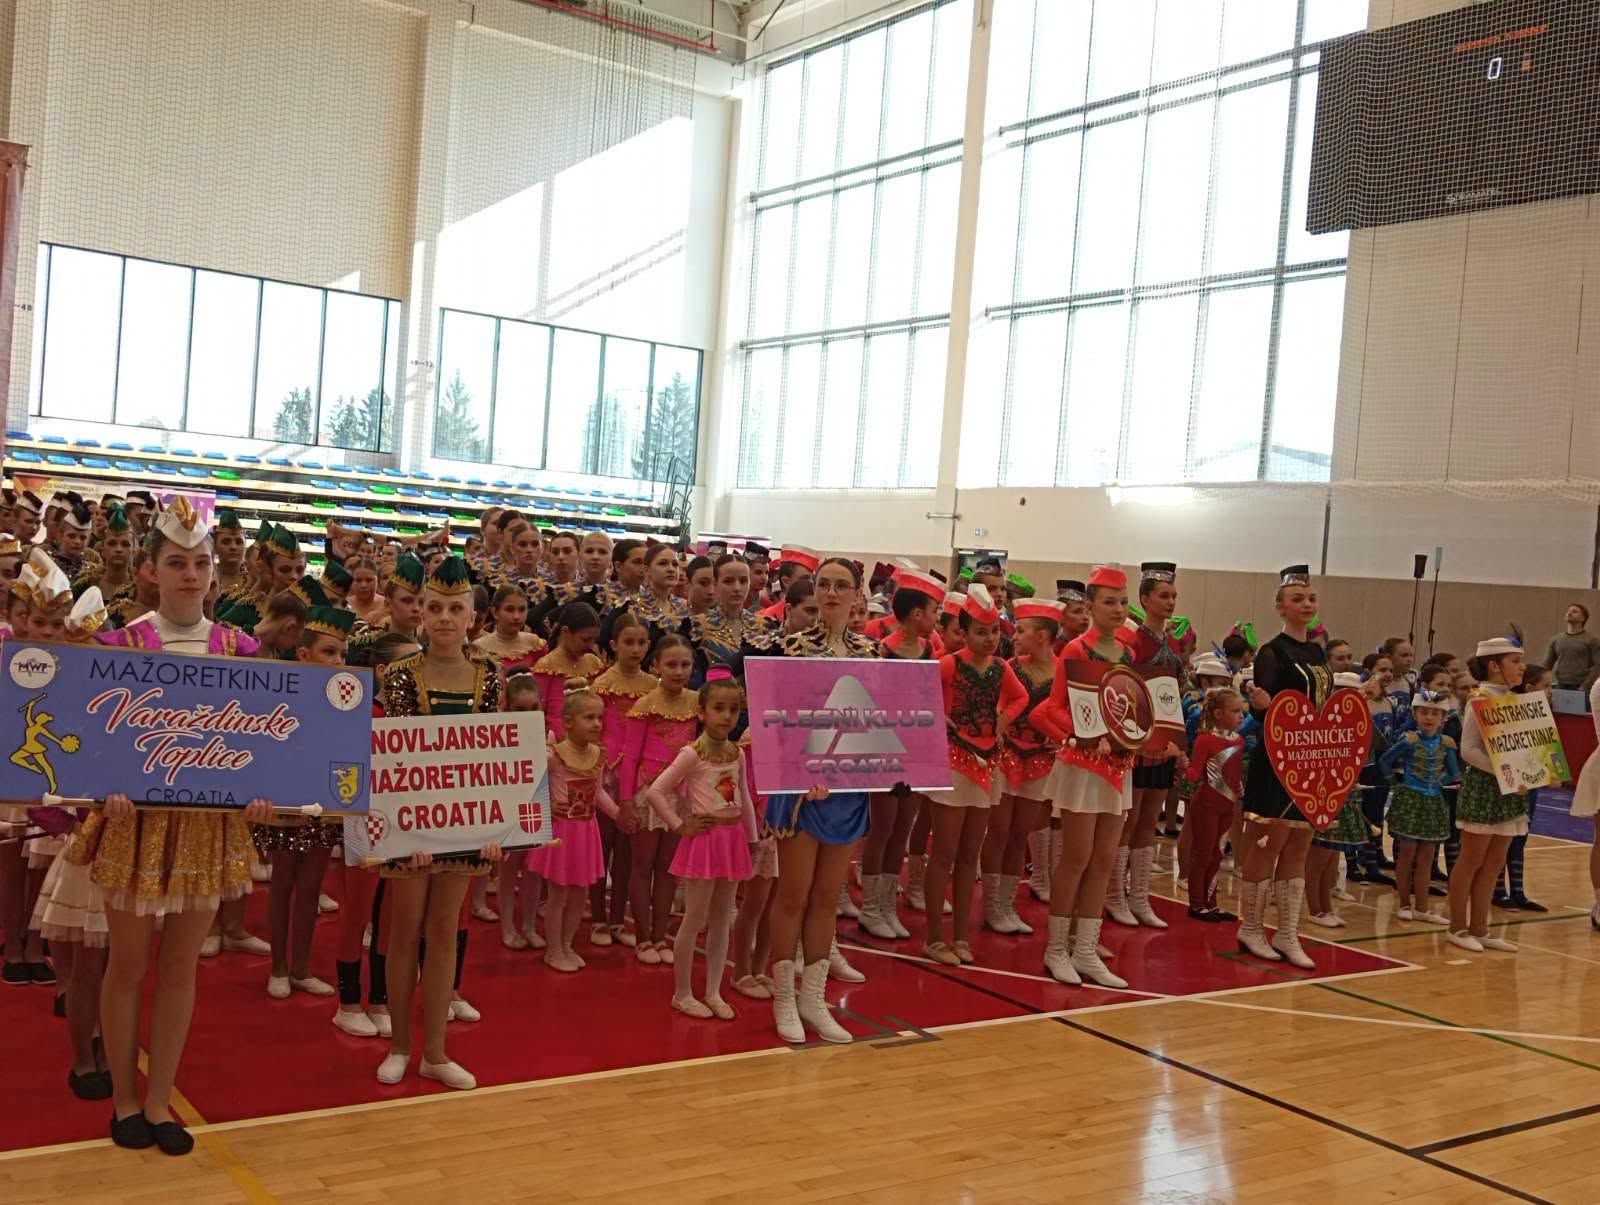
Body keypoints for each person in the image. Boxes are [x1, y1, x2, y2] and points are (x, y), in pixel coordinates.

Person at [63, 496, 275, 1155]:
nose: (191, 574)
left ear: (215, 571)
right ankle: (124, 1098)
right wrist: (103, 782)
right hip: (135, 824)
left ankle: (160, 1101)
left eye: (201, 563)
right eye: (178, 563)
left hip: (209, 825)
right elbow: (87, 734)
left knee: (182, 966)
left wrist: (260, 794)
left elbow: (262, 739)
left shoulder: (240, 648)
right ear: (151, 568)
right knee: (127, 963)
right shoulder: (120, 644)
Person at [372, 555, 506, 1091]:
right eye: (435, 608)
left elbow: (495, 757)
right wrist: (409, 831)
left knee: (445, 931)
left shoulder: (491, 677)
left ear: (473, 616)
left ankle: (435, 1051)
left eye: (455, 609)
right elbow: (399, 756)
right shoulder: (400, 675)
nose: (445, 618)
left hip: (465, 822)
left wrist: (497, 829)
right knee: (404, 930)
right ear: (420, 614)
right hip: (411, 824)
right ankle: (399, 1046)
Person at [764, 557, 876, 1044]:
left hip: (848, 785)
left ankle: (814, 998)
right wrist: (804, 768)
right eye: (824, 584)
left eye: (841, 585)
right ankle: (783, 998)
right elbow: (775, 719)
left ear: (857, 594)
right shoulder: (787, 647)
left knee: (828, 895)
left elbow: (877, 721)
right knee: (794, 893)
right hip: (800, 787)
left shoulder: (872, 653)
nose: (831, 593)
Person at [1030, 566, 1142, 989]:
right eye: (1109, 602)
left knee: (1104, 860)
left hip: (1118, 767)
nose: (1118, 609)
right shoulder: (1076, 649)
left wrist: (1139, 737)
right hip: (1082, 766)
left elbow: (1133, 708)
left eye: (1123, 602)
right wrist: (1083, 735)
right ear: (1091, 606)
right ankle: (1056, 949)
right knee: (1076, 858)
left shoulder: (1128, 654)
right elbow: (1053, 707)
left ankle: (1086, 950)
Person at [643, 672, 757, 1019]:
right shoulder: (691, 754)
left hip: (732, 839)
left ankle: (713, 991)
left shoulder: (736, 754)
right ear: (702, 712)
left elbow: (744, 798)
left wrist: (752, 839)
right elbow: (655, 792)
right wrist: (680, 825)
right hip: (705, 841)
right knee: (695, 918)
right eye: (719, 708)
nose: (727, 716)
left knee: (723, 918)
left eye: (733, 710)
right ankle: (682, 993)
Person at [923, 586, 1026, 966]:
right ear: (963, 633)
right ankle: (934, 937)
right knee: (944, 852)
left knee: (970, 855)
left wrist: (1003, 721)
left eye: (995, 632)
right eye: (981, 632)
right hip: (952, 763)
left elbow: (1020, 698)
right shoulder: (949, 664)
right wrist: (938, 718)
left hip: (987, 765)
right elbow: (919, 695)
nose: (990, 639)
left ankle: (961, 936)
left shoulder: (1002, 668)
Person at [1236, 565, 1331, 971]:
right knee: (1267, 842)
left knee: (1298, 847)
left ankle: (1287, 932)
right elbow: (1263, 710)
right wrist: (1267, 705)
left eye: (1310, 598)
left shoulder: (1318, 653)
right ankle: (1251, 927)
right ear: (1280, 606)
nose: (1306, 604)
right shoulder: (1271, 652)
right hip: (1276, 761)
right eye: (1297, 599)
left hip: (1311, 762)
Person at [258, 606, 355, 999]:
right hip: (285, 798)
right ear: (303, 654)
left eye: (343, 654)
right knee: (283, 881)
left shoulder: (347, 700)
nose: (338, 661)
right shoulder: (282, 695)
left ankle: (301, 967)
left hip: (325, 801)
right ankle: (278, 967)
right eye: (329, 652)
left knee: (312, 885)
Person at [857, 566, 944, 942]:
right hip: (883, 747)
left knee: (903, 828)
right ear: (917, 614)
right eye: (934, 611)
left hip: (916, 747)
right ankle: (870, 908)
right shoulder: (881, 649)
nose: (937, 618)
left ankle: (887, 906)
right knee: (882, 827)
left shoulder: (929, 649)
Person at [526, 683, 623, 972]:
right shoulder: (553, 755)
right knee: (558, 894)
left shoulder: (598, 754)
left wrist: (618, 814)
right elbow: (529, 786)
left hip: (586, 831)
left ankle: (567, 944)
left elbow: (598, 792)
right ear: (568, 722)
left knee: (581, 893)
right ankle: (553, 949)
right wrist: (545, 805)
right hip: (562, 831)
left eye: (600, 717)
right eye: (589, 718)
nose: (596, 724)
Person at [1110, 561, 1186, 931]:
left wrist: (1178, 745)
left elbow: (1175, 697)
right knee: (1130, 818)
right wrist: (1135, 739)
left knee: (1149, 821)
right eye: (1163, 596)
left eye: (1173, 596)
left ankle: (1139, 895)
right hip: (1137, 741)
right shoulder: (1133, 642)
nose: (1170, 602)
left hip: (1164, 742)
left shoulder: (1172, 643)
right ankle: (1114, 894)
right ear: (1144, 599)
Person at [985, 597, 1064, 936]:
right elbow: (998, 707)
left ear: (1042, 636)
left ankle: (1007, 904)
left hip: (1041, 762)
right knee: (999, 831)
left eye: (1021, 630)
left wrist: (1061, 738)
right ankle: (991, 905)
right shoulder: (1010, 667)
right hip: (1006, 757)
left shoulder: (1063, 671)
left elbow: (1069, 713)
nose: (1013, 636)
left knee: (1021, 835)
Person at [619, 633, 699, 965]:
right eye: (671, 665)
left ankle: (660, 935)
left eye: (685, 665)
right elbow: (630, 757)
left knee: (668, 869)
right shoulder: (645, 705)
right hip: (647, 795)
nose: (678, 671)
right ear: (656, 667)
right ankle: (642, 938)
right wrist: (625, 801)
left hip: (680, 796)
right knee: (642, 865)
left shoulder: (697, 703)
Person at [1447, 634, 1529, 955]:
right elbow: (1468, 750)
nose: (1522, 667)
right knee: (1471, 860)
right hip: (1485, 788)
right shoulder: (1479, 698)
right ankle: (1457, 927)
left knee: (1495, 862)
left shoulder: (1516, 700)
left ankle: (1481, 928)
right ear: (1494, 665)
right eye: (1515, 661)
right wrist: (1505, 771)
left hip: (1510, 790)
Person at [1381, 690, 1458, 925]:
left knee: (1427, 857)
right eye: (1424, 712)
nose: (1429, 718)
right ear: (1415, 714)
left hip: (1433, 803)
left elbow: (1454, 772)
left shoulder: (1446, 744)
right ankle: (1405, 904)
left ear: (1443, 717)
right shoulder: (1409, 740)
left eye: (1435, 713)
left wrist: (1440, 783)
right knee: (1406, 854)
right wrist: (1396, 784)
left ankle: (1422, 907)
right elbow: (1385, 761)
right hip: (1410, 801)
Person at [1183, 688, 1247, 921]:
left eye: (1241, 711)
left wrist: (1239, 786)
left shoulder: (1238, 740)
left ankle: (1211, 903)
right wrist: (1181, 762)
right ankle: (1196, 904)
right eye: (1236, 711)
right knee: (1203, 853)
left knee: (1217, 853)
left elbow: (1233, 771)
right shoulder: (1205, 739)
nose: (1241, 715)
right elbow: (1194, 773)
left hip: (1227, 806)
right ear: (1219, 714)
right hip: (1206, 805)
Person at [532, 602, 604, 737]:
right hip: (557, 740)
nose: (591, 646)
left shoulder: (594, 664)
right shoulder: (547, 666)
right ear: (565, 632)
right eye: (585, 640)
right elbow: (537, 711)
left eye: (594, 640)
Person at [1544, 603, 1600, 691]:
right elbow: (1547, 665)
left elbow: (1598, 665)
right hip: (1560, 685)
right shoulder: (1556, 639)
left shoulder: (1592, 640)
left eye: (1574, 611)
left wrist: (1586, 685)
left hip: (1581, 686)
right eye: (1568, 611)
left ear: (1583, 618)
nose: (1569, 613)